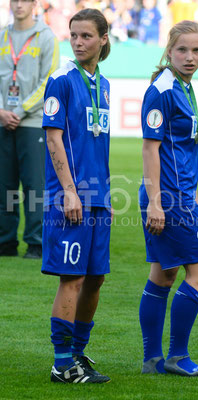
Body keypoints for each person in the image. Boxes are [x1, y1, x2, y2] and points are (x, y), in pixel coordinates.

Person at [138, 20, 198, 376]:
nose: (190, 57)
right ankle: (178, 357)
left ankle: (153, 359)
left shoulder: (185, 87)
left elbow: (180, 151)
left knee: (164, 274)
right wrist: (156, 201)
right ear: (169, 50)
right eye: (182, 50)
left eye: (197, 50)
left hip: (181, 196)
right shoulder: (164, 89)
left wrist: (194, 193)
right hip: (169, 199)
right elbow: (150, 149)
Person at [42, 8, 112, 383]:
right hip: (69, 197)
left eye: (87, 36)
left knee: (95, 278)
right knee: (70, 278)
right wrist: (70, 192)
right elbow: (54, 138)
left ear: (103, 38)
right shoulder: (61, 79)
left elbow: (96, 145)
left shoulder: (103, 83)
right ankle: (61, 362)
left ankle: (78, 355)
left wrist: (104, 195)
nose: (79, 42)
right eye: (74, 35)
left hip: (98, 197)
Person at [0, 0, 59, 259]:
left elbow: (49, 80)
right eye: (14, 0)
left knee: (35, 187)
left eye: (24, 0)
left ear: (34, 4)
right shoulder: (2, 35)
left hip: (33, 122)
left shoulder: (46, 37)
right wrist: (1, 111)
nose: (18, 5)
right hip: (2, 119)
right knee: (5, 186)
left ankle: (35, 242)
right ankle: (6, 242)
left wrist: (21, 111)